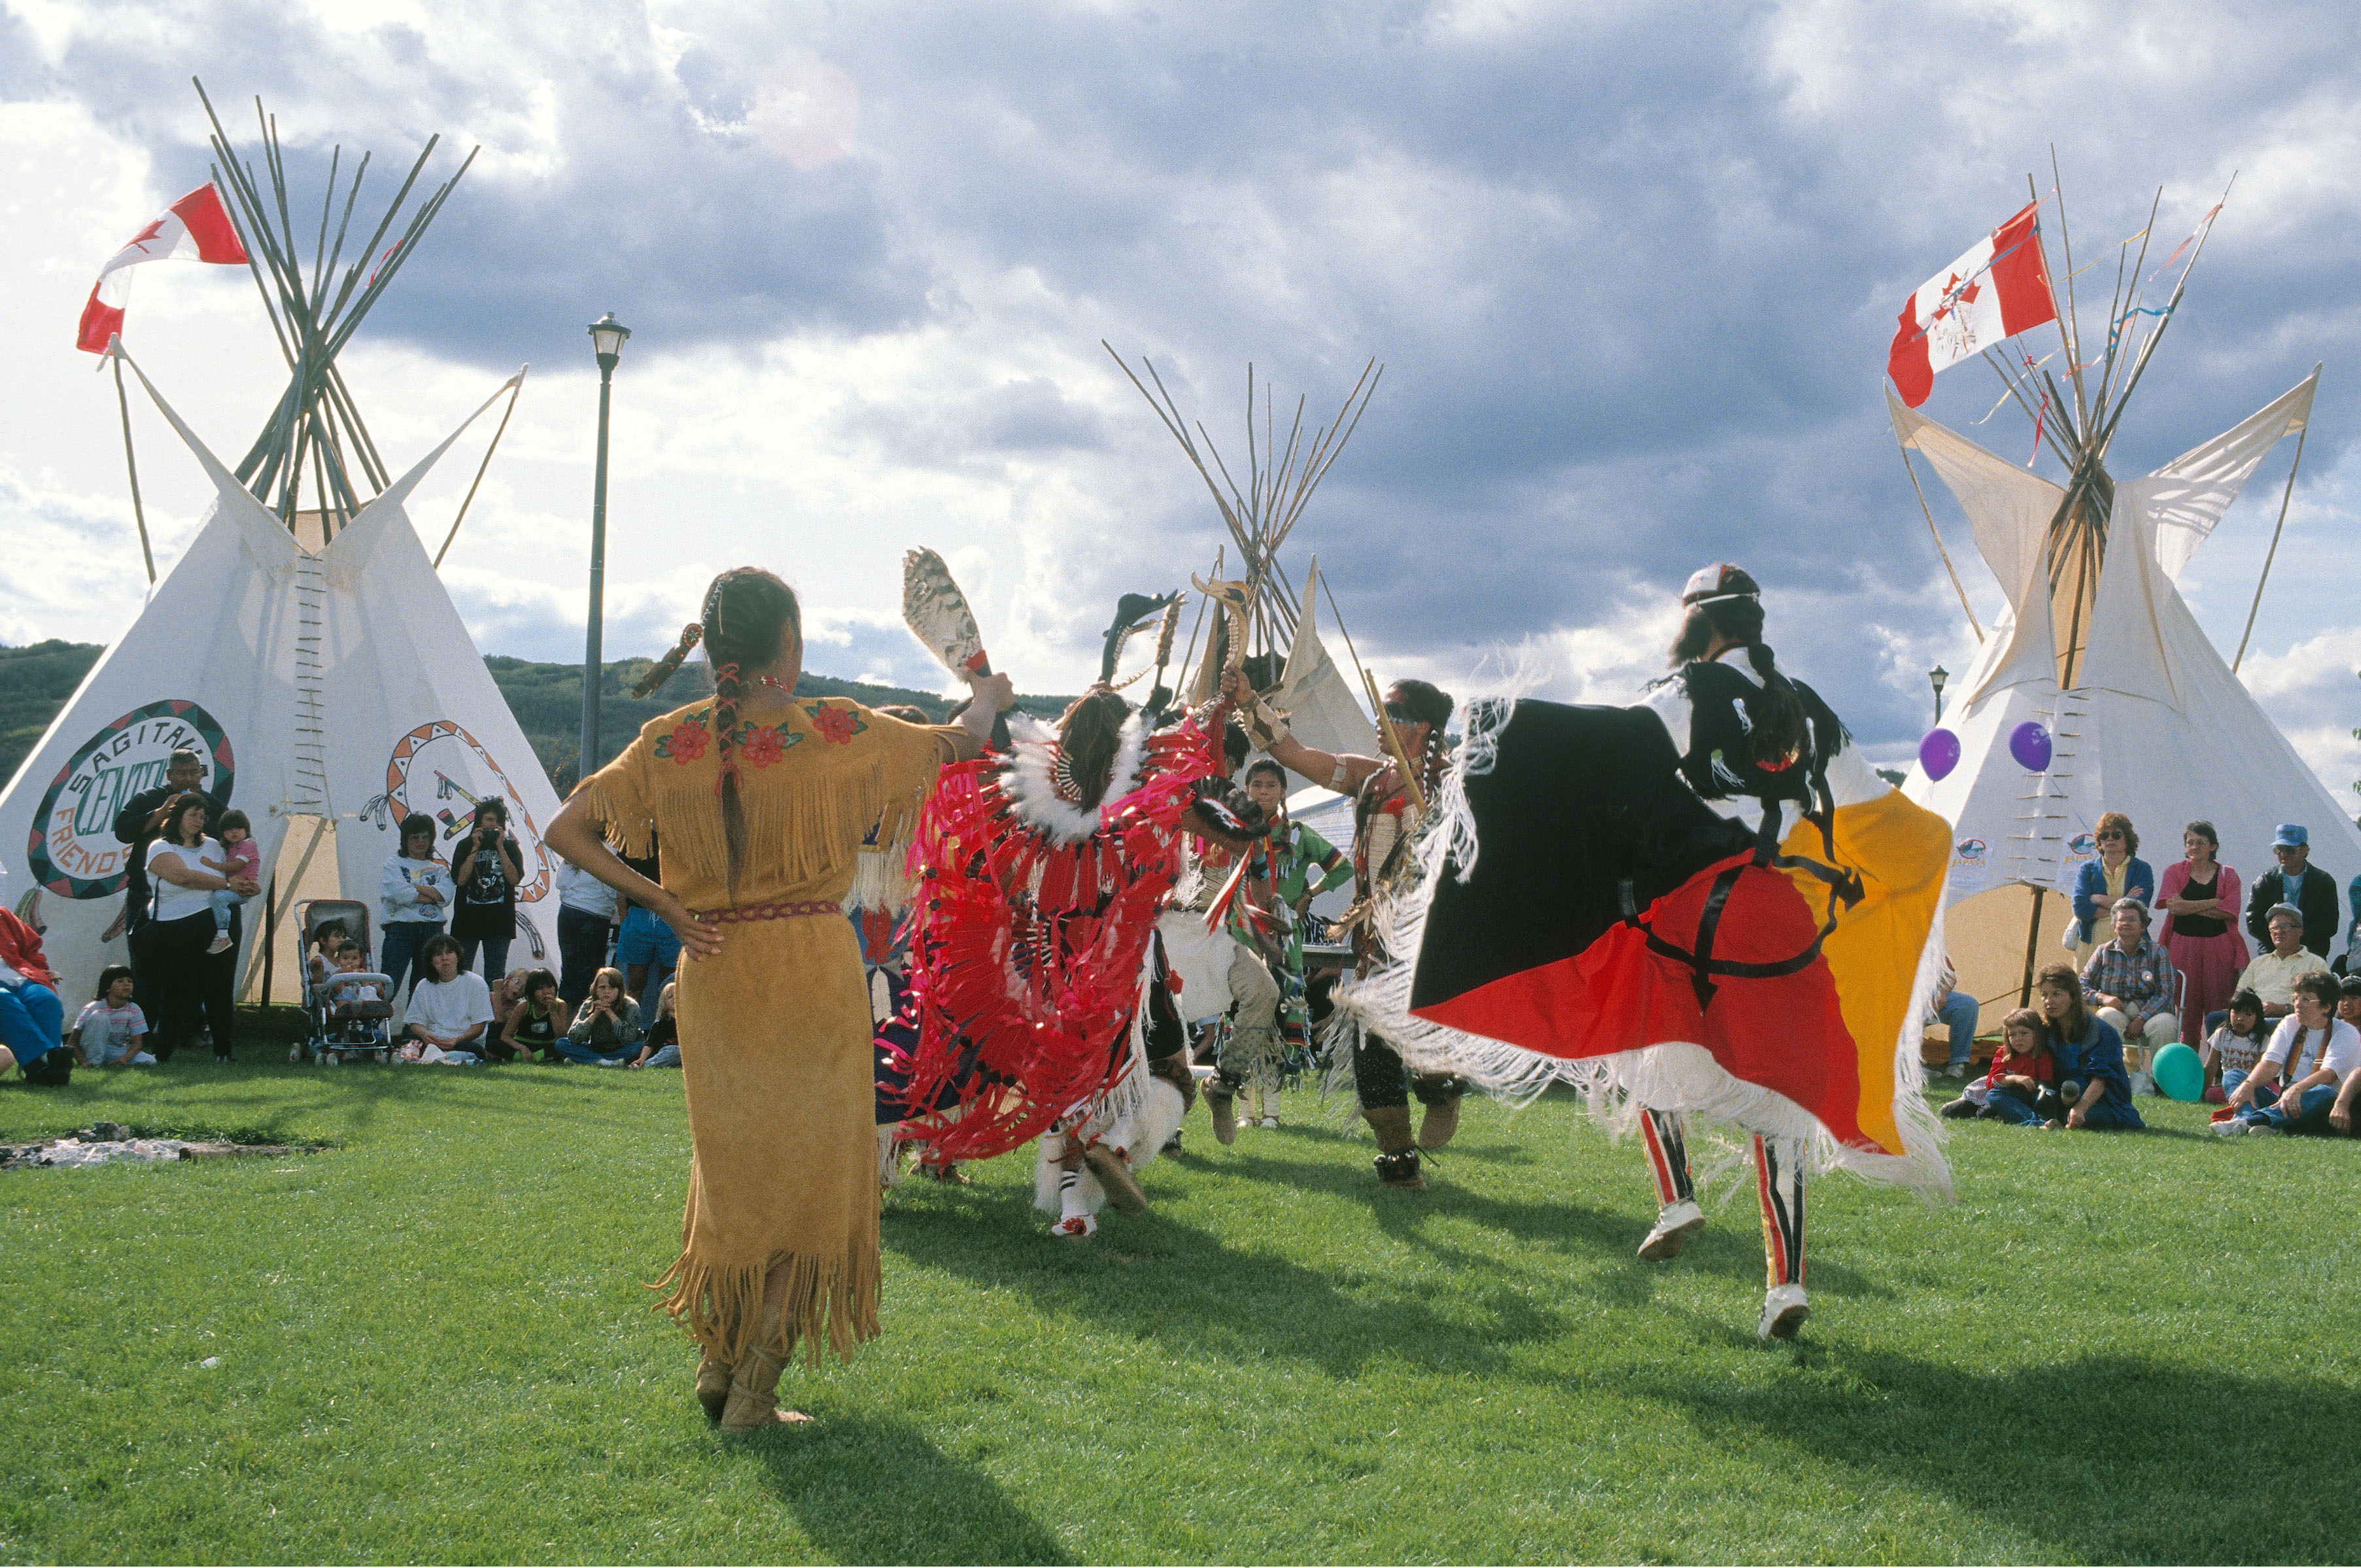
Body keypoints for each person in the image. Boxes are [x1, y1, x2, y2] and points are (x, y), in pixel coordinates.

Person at [1308, 562, 1952, 1340]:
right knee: (1778, 1099)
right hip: (1780, 918)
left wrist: (1499, 726)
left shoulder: (1694, 690)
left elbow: (1610, 740)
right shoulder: (1809, 709)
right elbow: (1883, 815)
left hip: (1693, 906)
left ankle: (1676, 1195)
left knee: (1630, 1030)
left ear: (1699, 623)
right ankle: (1785, 1284)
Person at [542, 565, 1005, 1432]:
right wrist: (985, 694)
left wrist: (662, 901)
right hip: (808, 969)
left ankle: (717, 1360)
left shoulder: (668, 741)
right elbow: (960, 742)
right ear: (786, 643)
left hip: (713, 969)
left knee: (737, 1172)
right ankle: (753, 1386)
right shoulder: (831, 728)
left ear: (714, 645)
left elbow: (564, 827)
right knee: (813, 1176)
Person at [897, 681, 1254, 1238]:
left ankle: (1076, 1208)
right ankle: (1110, 1150)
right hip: (1125, 962)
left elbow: (985, 858)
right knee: (1166, 1074)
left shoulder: (1025, 790)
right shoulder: (1146, 791)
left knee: (1064, 1078)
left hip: (1048, 959)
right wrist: (1210, 772)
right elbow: (1240, 834)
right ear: (1126, 739)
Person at [1238, 666, 1465, 1185]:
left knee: (1423, 1029)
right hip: (1374, 940)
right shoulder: (1372, 777)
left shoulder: (1454, 782)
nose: (1380, 720)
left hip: (1429, 938)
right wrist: (1251, 703)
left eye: (1392, 712)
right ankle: (1399, 1162)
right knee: (1371, 1050)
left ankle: (1441, 1088)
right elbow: (1296, 755)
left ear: (1422, 726)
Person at [109, 747, 232, 1004]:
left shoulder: (213, 805)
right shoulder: (149, 798)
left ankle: (190, 1021)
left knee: (192, 966)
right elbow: (123, 831)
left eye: (193, 773)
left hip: (196, 899)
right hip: (147, 894)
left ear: (202, 773)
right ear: (169, 775)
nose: (188, 779)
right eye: (181, 773)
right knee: (146, 963)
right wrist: (163, 812)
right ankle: (145, 1021)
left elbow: (232, 843)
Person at [140, 794, 243, 1062]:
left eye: (202, 816)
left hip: (219, 921)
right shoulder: (159, 847)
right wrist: (228, 885)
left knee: (219, 986)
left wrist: (245, 885)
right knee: (178, 988)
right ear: (178, 817)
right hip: (177, 925)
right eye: (193, 814)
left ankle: (223, 1051)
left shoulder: (214, 846)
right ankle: (163, 1052)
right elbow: (184, 877)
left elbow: (234, 874)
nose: (199, 820)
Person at [2213, 971, 2359, 1136]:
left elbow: (2329, 1074)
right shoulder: (2289, 1023)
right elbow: (2270, 1063)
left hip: (2317, 1100)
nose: (2298, 1005)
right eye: (2295, 998)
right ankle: (2250, 1121)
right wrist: (2249, 1085)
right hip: (2285, 1097)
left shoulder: (2345, 1032)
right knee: (2234, 1076)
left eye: (2306, 1000)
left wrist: (2297, 1090)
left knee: (2325, 1092)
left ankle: (2251, 1121)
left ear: (2326, 1007)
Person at [2157, 820, 2245, 1049]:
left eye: (2201, 842)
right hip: (2182, 946)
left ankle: (2217, 1064)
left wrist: (2188, 905)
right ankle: (2188, 1062)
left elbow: (2229, 913)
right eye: (2190, 842)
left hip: (2219, 947)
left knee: (2219, 1007)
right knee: (2186, 1009)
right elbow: (2174, 908)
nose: (2194, 847)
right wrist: (2214, 902)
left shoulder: (2228, 874)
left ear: (2213, 846)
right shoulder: (2174, 872)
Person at [2080, 898, 2179, 1092]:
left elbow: (2166, 992)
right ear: (2114, 925)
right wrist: (2102, 998)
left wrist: (2141, 1018)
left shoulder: (2158, 952)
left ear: (2143, 926)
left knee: (2166, 1024)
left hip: (2152, 1013)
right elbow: (2081, 985)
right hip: (2118, 1011)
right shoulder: (2103, 952)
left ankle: (2163, 1085)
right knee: (2105, 1017)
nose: (2126, 923)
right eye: (2121, 920)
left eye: (2132, 919)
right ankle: (2110, 1080)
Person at [2035, 961, 2143, 1131]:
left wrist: (2081, 1108)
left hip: (2102, 1102)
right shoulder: (2046, 1032)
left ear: (2073, 997)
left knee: (2091, 1118)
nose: (2049, 1001)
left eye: (2056, 994)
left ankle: (2055, 1119)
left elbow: (2101, 1079)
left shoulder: (2101, 1032)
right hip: (2063, 1098)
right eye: (2044, 995)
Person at [0, 894, 73, 1084]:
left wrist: (40, 970)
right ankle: (43, 1062)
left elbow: (30, 947)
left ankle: (51, 1067)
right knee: (4, 1000)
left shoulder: (2, 915)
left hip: (17, 975)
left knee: (45, 999)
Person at [379, 815, 453, 1004]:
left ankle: (414, 1023)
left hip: (432, 930)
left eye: (425, 837)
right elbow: (398, 893)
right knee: (389, 981)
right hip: (400, 929)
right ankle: (374, 1021)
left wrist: (413, 888)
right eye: (414, 837)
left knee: (424, 986)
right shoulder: (393, 863)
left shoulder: (440, 869)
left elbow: (445, 897)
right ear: (405, 840)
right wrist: (430, 895)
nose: (420, 841)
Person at [449, 798, 524, 981]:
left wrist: (501, 847)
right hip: (467, 920)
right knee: (462, 973)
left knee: (496, 975)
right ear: (479, 821)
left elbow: (514, 879)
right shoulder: (465, 845)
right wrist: (475, 847)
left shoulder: (510, 846)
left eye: (497, 821)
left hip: (499, 922)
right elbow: (460, 880)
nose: (492, 825)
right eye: (489, 819)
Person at [2068, 812, 2154, 967]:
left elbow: (2139, 908)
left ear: (2128, 839)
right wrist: (2126, 901)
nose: (2110, 839)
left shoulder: (2142, 869)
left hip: (2130, 947)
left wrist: (2098, 899)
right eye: (2104, 835)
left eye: (2116, 834)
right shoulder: (2087, 869)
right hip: (2091, 947)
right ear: (2099, 841)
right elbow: (2080, 907)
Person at [2245, 824, 2337, 959]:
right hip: (2274, 953)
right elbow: (2253, 921)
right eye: (2279, 850)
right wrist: (2281, 941)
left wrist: (2295, 939)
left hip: (2311, 954)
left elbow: (2329, 924)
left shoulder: (2323, 882)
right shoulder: (2265, 881)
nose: (2283, 855)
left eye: (2290, 850)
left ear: (2305, 850)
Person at [399, 933, 494, 1064]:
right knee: (410, 1046)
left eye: (449, 953)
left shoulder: (476, 982)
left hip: (464, 1042)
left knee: (473, 1051)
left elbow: (479, 1026)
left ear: (457, 957)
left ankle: (440, 1058)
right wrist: (425, 1035)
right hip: (433, 1041)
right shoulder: (423, 986)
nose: (444, 958)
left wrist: (457, 1040)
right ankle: (438, 1058)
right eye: (438, 954)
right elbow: (415, 1023)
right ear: (431, 961)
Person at [2230, 905, 2328, 1026]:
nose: (2279, 932)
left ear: (2300, 931)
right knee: (2215, 1018)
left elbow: (2324, 1005)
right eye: (2274, 928)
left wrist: (2283, 1009)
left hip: (2293, 1022)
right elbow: (2239, 997)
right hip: (2254, 1020)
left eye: (2286, 927)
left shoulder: (2316, 964)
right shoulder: (2258, 963)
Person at [615, 835, 683, 1007]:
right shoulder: (633, 837)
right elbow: (619, 883)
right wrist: (625, 919)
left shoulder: (680, 837)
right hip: (639, 915)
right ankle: (632, 1021)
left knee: (671, 981)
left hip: (671, 914)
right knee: (635, 981)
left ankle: (664, 1021)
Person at [553, 858, 619, 1017]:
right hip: (595, 914)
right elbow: (613, 887)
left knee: (569, 973)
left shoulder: (575, 846)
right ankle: (582, 1023)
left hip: (567, 911)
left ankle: (563, 1024)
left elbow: (561, 881)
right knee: (589, 976)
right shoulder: (611, 849)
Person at [1976, 1008, 2056, 1127]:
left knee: (2046, 1096)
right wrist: (2014, 1079)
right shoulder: (2003, 1054)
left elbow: (2047, 1085)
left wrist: (2034, 1085)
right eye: (2012, 1035)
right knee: (1993, 1095)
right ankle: (2037, 1123)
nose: (2018, 1039)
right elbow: (1991, 1084)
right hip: (2012, 1097)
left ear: (2037, 1033)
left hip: (2034, 1097)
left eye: (2024, 1033)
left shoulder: (2043, 1055)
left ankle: (2035, 1120)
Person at [199, 810, 260, 956]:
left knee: (219, 897)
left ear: (246, 829)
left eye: (238, 828)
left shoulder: (248, 845)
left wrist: (212, 865)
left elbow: (236, 866)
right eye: (229, 829)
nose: (234, 832)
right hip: (233, 887)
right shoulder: (231, 847)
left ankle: (223, 936)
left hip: (243, 889)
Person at [70, 965, 154, 1067]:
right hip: (90, 1046)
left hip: (112, 1049)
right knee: (100, 1017)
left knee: (150, 1060)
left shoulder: (134, 1009)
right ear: (107, 988)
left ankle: (109, 1062)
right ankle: (94, 1063)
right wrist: (83, 1062)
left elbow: (137, 1043)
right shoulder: (93, 1008)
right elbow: (73, 1041)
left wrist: (124, 1059)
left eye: (130, 981)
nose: (126, 984)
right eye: (120, 981)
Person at [2199, 989, 2273, 1102]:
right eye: (2236, 1013)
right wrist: (2202, 1093)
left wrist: (2248, 1087)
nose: (2240, 1019)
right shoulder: (2222, 1034)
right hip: (2229, 1084)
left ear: (2257, 1018)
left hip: (2252, 1085)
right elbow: (2211, 1066)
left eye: (2248, 1015)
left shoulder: (2262, 1040)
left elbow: (2259, 1070)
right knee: (2211, 1094)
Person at [559, 966, 642, 1065]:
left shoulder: (631, 1006)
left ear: (619, 990)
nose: (607, 991)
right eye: (602, 987)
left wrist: (610, 1013)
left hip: (621, 1049)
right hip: (595, 1048)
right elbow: (574, 1037)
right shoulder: (589, 1005)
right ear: (595, 989)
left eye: (612, 988)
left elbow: (629, 1039)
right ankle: (603, 1061)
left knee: (637, 1048)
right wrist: (594, 1015)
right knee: (562, 1043)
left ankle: (587, 1060)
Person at [1927, 952, 1980, 1080]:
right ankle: (1912, 1068)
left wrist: (1942, 993)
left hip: (1932, 997)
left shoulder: (1931, 947)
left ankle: (1957, 1063)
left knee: (1968, 1005)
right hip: (1902, 1000)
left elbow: (1950, 976)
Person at [497, 968, 564, 1063]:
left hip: (547, 1047)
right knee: (494, 1044)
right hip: (524, 1045)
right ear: (532, 992)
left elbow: (561, 1036)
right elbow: (505, 1036)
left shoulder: (560, 1005)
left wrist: (552, 1012)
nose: (546, 992)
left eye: (550, 987)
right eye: (541, 988)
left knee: (563, 1045)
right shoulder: (524, 1006)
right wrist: (522, 1048)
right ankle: (530, 1058)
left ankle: (535, 1058)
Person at [631, 980, 682, 1068]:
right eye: (670, 997)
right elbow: (650, 1045)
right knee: (675, 1051)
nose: (675, 998)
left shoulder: (687, 1021)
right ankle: (647, 1065)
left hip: (685, 1052)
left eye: (678, 995)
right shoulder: (662, 1023)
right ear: (664, 1002)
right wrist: (642, 1059)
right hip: (668, 1050)